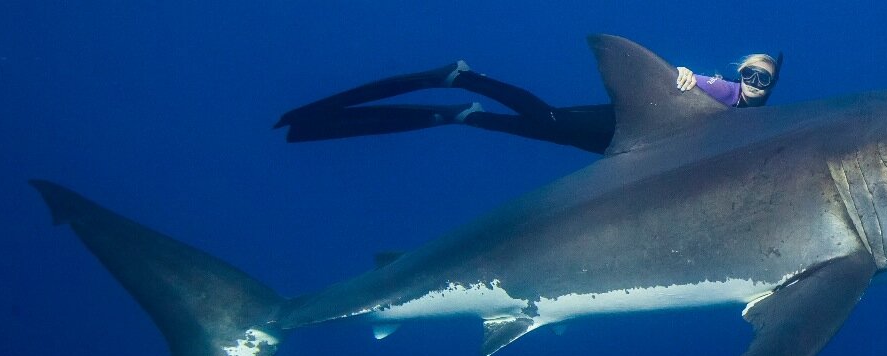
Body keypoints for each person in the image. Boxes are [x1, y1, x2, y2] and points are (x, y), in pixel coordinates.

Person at [273, 53, 781, 154]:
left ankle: (468, 116)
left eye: (765, 78)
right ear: (740, 73)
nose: (756, 82)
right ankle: (465, 79)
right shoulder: (727, 93)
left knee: (545, 133)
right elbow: (692, 84)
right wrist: (685, 79)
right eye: (752, 73)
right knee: (552, 118)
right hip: (629, 124)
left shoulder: (756, 117)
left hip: (630, 146)